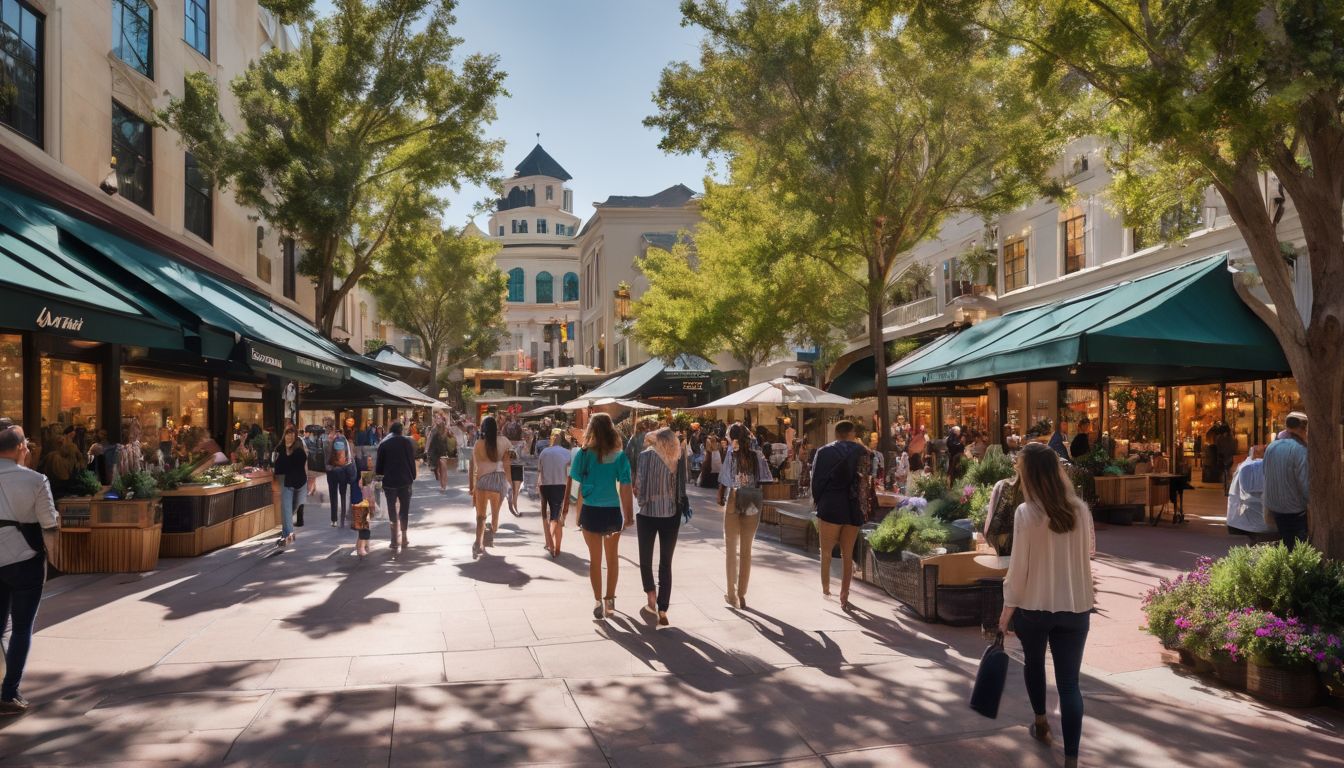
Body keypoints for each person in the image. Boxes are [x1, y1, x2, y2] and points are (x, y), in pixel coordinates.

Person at [998, 442, 1096, 768]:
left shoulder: (1026, 513)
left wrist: (1006, 609)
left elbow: (1019, 568)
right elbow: (1090, 552)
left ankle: (1040, 721)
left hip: (1034, 607)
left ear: (1030, 475)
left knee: (1034, 664)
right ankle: (1071, 759)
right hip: (1075, 605)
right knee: (1070, 684)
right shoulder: (1080, 509)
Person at [0, 426, 60, 714]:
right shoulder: (36, 480)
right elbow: (49, 522)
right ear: (20, 447)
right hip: (25, 560)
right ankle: (9, 693)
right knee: (21, 628)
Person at [562, 413, 633, 620]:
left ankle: (597, 602)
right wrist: (628, 514)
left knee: (595, 560)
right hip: (612, 511)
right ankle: (610, 599)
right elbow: (626, 486)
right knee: (612, 559)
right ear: (611, 430)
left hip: (591, 511)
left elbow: (573, 482)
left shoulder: (583, 454)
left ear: (591, 430)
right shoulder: (619, 456)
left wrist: (571, 509)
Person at [810, 420, 868, 610]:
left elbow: (816, 480)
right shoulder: (862, 452)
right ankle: (844, 594)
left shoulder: (823, 452)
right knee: (847, 554)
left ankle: (826, 589)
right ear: (851, 433)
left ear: (836, 434)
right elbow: (869, 478)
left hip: (830, 506)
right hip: (853, 508)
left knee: (825, 552)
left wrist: (818, 501)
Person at [634, 428, 687, 626]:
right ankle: (663, 609)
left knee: (645, 559)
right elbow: (683, 484)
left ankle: (651, 596)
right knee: (666, 563)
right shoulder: (678, 457)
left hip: (648, 513)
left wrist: (641, 501)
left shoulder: (646, 455)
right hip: (671, 514)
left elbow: (641, 483)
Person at [720, 424, 771, 609]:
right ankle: (742, 594)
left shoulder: (731, 452)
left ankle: (731, 594)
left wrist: (720, 497)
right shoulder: (756, 454)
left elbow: (724, 479)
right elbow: (764, 479)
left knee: (731, 548)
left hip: (734, 497)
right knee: (746, 550)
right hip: (752, 498)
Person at [1262, 411, 1309, 550]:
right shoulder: (1300, 450)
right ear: (1303, 429)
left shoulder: (1271, 447)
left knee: (1286, 543)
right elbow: (1305, 483)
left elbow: (1265, 473)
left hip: (1275, 506)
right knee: (1298, 549)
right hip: (1294, 509)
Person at [469, 415, 512, 557]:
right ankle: (491, 530)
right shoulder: (504, 441)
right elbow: (510, 460)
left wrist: (472, 486)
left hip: (482, 482)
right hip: (499, 483)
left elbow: (474, 467)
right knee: (495, 517)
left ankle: (477, 542)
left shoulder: (478, 444)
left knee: (480, 516)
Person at [375, 421, 417, 552]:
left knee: (392, 509)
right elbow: (411, 461)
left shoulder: (384, 444)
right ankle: (404, 536)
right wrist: (413, 476)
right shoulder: (407, 442)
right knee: (404, 509)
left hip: (389, 482)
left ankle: (394, 540)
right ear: (401, 431)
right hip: (405, 480)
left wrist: (379, 479)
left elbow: (379, 467)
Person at [1225, 446, 1273, 542]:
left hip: (1246, 519)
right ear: (1257, 454)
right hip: (1253, 518)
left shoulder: (1247, 466)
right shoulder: (1252, 467)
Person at [537, 429, 572, 557]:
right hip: (560, 486)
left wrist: (538, 486)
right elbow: (570, 474)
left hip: (545, 486)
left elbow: (539, 471)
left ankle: (553, 544)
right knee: (555, 517)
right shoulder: (567, 453)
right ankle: (552, 542)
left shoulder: (544, 452)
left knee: (546, 516)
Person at [271, 427, 307, 550]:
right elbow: (276, 464)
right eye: (287, 434)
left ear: (295, 436)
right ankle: (289, 535)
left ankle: (285, 533)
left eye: (292, 435)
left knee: (291, 509)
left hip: (299, 483)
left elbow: (303, 465)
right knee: (286, 508)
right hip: (286, 482)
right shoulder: (280, 449)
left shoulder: (299, 449)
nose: (289, 437)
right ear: (284, 436)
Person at [324, 422, 353, 528]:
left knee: (333, 495)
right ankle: (343, 516)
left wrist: (327, 467)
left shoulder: (326, 441)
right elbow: (349, 458)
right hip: (342, 470)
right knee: (343, 494)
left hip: (331, 471)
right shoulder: (343, 439)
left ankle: (334, 520)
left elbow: (324, 458)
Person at [1214, 423, 1237, 495]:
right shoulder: (1232, 439)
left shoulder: (1219, 438)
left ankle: (1226, 488)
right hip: (1230, 458)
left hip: (1223, 458)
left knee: (1225, 473)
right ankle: (1228, 488)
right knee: (1228, 473)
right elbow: (1234, 449)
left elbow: (1217, 448)